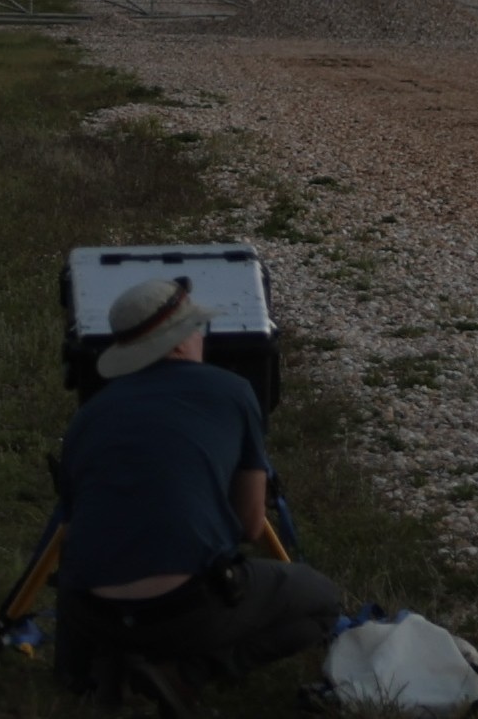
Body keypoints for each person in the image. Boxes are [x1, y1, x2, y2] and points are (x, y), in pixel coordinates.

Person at [53, 276, 351, 683]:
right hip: (186, 610)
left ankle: (94, 669)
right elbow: (250, 525)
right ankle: (189, 671)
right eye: (198, 328)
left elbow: (70, 533)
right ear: (177, 342)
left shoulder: (87, 417)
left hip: (92, 614)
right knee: (321, 602)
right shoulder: (233, 391)